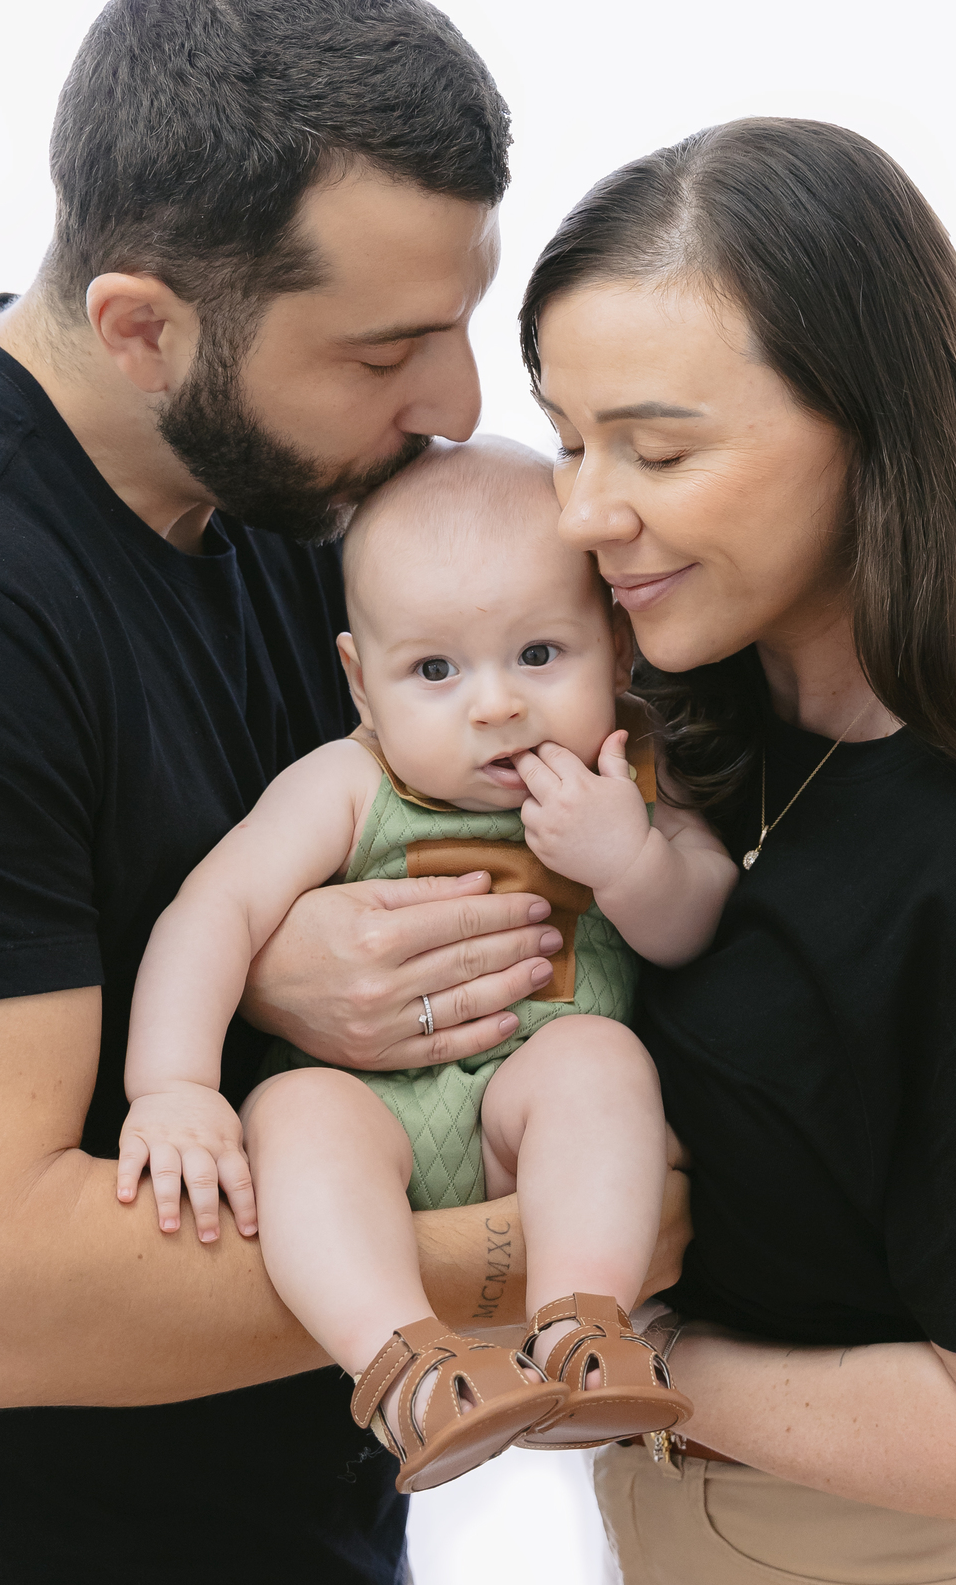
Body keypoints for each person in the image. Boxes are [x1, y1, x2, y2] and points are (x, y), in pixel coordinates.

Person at [0, 0, 687, 1585]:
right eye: (386, 351)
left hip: (309, 1565)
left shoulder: (286, 495)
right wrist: (571, 1260)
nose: (452, 409)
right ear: (142, 324)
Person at [518, 116, 956, 1585]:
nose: (588, 511)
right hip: (702, 1563)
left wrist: (629, 1356)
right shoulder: (717, 719)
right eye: (565, 437)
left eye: (657, 453)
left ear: (871, 427)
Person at [120, 437, 730, 1489]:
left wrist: (628, 858)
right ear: (362, 682)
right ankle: (404, 1366)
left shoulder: (626, 774)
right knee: (299, 1114)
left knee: (597, 1061)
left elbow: (696, 921)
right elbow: (212, 910)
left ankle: (582, 1328)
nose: (493, 705)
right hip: (371, 1128)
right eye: (435, 670)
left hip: (523, 1129)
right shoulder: (347, 784)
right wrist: (171, 1086)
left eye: (540, 655)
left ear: (617, 651)